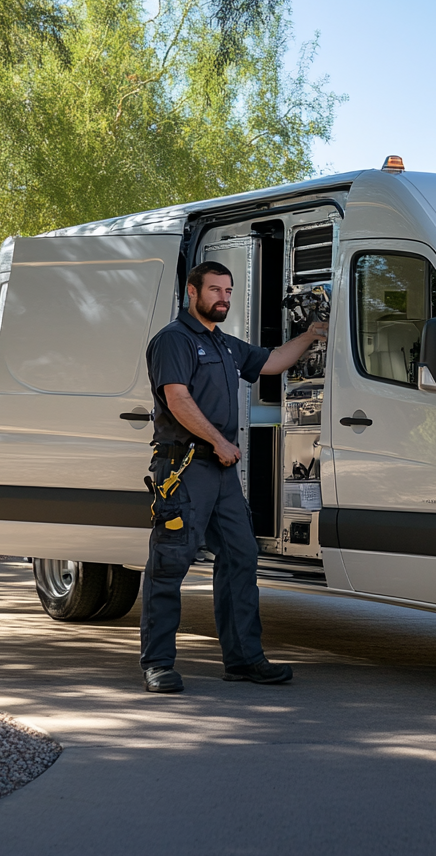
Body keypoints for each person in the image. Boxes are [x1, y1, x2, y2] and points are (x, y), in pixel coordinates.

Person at [140, 260, 328, 693]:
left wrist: (312, 334)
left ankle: (244, 659)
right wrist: (220, 442)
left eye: (228, 291)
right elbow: (177, 399)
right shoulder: (174, 341)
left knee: (241, 559)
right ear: (192, 292)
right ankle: (158, 664)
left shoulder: (224, 345)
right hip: (184, 468)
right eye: (214, 290)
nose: (223, 297)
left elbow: (274, 362)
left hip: (221, 474)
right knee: (169, 565)